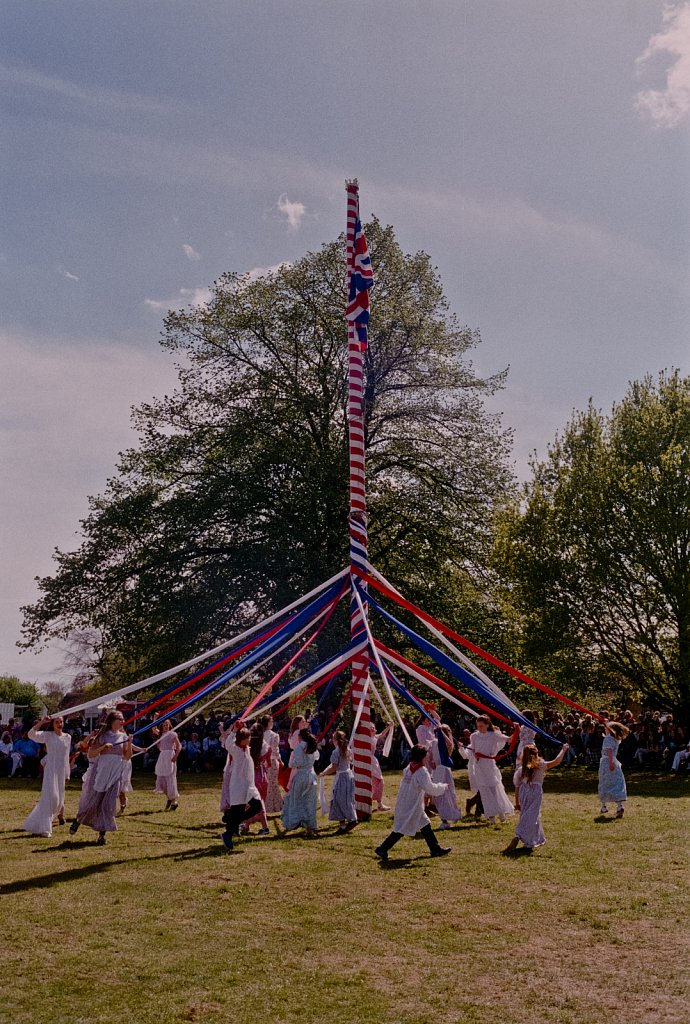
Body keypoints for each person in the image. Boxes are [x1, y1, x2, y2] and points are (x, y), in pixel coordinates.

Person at [374, 744, 451, 862]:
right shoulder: (421, 771)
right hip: (412, 804)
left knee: (425, 824)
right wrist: (443, 787)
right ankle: (382, 848)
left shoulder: (409, 768)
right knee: (401, 828)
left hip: (407, 802)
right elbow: (430, 788)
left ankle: (435, 848)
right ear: (423, 757)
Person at [70, 711, 132, 844]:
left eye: (123, 719)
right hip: (102, 771)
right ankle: (78, 820)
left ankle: (101, 835)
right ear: (112, 721)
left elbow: (127, 757)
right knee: (94, 802)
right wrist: (103, 747)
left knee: (109, 804)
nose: (122, 721)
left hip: (116, 772)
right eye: (119, 719)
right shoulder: (102, 736)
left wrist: (130, 743)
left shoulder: (123, 736)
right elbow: (91, 754)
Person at [503, 742, 569, 854]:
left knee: (529, 815)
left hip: (524, 792)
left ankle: (531, 841)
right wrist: (564, 749)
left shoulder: (521, 769)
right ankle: (518, 835)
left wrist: (517, 802)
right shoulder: (541, 765)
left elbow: (517, 787)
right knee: (531, 816)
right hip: (535, 793)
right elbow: (557, 761)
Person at [23, 715, 72, 837]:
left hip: (61, 770)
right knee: (50, 797)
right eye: (56, 722)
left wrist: (67, 773)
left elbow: (66, 757)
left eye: (61, 722)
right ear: (52, 723)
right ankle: (45, 828)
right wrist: (42, 722)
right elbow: (31, 734)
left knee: (59, 801)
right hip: (51, 769)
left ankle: (37, 823)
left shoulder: (68, 737)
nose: (59, 724)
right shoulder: (48, 735)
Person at [220, 727, 264, 850]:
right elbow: (228, 743)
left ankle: (232, 822)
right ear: (243, 739)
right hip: (239, 786)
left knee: (257, 806)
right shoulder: (236, 750)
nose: (250, 739)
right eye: (248, 737)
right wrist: (234, 730)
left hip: (248, 786)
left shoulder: (246, 750)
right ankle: (227, 834)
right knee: (238, 812)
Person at [466, 715, 515, 824]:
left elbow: (508, 739)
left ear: (488, 725)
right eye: (478, 726)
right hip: (479, 766)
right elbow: (473, 749)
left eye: (482, 726)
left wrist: (516, 728)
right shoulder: (474, 736)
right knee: (484, 791)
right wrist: (474, 754)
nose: (480, 728)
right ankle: (491, 816)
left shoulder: (493, 735)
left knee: (494, 789)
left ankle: (501, 813)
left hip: (489, 765)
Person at [278, 728, 319, 836]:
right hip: (312, 776)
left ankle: (296, 821)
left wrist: (291, 762)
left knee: (296, 800)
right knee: (310, 801)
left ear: (300, 737)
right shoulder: (312, 745)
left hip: (301, 776)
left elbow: (297, 763)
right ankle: (310, 826)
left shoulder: (299, 748)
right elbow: (316, 758)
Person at [319, 730, 357, 833]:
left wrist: (325, 773)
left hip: (342, 778)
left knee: (338, 800)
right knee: (344, 799)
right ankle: (343, 826)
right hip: (349, 776)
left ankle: (352, 819)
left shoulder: (336, 752)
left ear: (335, 740)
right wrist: (325, 772)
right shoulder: (347, 749)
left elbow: (334, 767)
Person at [430, 724, 462, 829]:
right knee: (438, 796)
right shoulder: (434, 742)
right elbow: (431, 754)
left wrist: (442, 733)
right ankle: (444, 820)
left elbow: (449, 745)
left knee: (447, 794)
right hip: (436, 770)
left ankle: (452, 815)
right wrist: (431, 761)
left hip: (444, 770)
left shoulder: (447, 743)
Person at [598, 721, 629, 817]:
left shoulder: (608, 739)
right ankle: (619, 806)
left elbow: (609, 750)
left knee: (604, 782)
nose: (604, 729)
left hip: (608, 762)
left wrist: (610, 763)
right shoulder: (615, 739)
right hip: (613, 762)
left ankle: (604, 806)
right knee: (616, 783)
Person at [153, 719, 182, 810]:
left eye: (167, 724)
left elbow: (179, 746)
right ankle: (169, 798)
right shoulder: (160, 734)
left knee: (170, 778)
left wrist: (175, 756)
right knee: (161, 778)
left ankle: (174, 802)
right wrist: (155, 717)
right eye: (164, 724)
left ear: (170, 725)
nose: (166, 726)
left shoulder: (172, 734)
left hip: (170, 755)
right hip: (162, 756)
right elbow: (153, 728)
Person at [261, 714, 283, 813]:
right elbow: (275, 750)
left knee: (265, 784)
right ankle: (273, 806)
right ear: (269, 723)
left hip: (262, 762)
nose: (273, 723)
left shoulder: (260, 734)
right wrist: (280, 760)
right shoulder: (274, 735)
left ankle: (270, 805)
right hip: (272, 762)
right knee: (273, 784)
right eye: (271, 721)